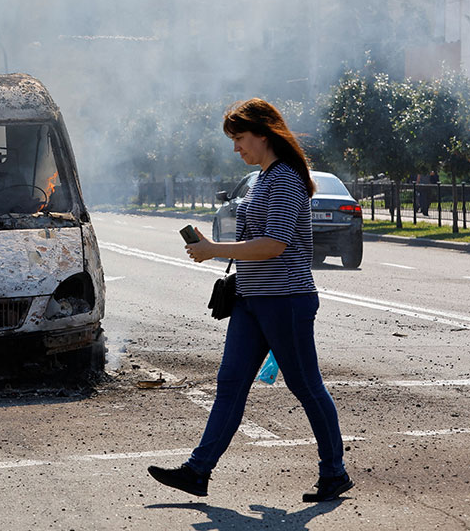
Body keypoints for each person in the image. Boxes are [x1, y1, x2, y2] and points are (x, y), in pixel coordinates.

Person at [147, 99, 352, 502]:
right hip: (252, 298)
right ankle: (197, 472)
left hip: (285, 299)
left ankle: (335, 472)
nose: (235, 148)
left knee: (306, 386)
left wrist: (213, 249)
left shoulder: (287, 179)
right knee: (230, 383)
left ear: (263, 133)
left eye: (239, 138)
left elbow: (274, 244)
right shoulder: (263, 177)